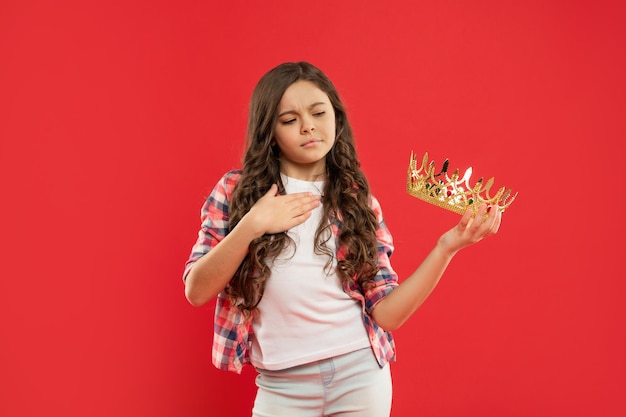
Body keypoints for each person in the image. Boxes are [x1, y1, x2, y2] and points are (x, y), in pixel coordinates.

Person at [183, 61, 501, 417]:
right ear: (269, 132)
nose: (308, 126)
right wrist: (252, 224)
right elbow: (196, 290)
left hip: (360, 376)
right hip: (281, 387)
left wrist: (447, 247)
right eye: (289, 120)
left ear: (336, 117)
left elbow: (387, 315)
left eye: (319, 112)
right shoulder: (235, 192)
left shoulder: (356, 200)